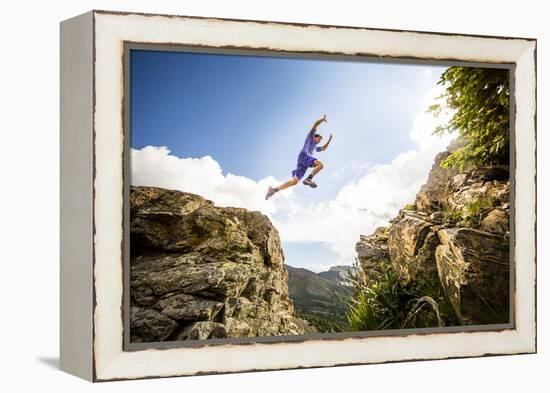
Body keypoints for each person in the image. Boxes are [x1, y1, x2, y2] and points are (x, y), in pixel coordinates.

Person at [265, 114, 333, 200]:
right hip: (304, 156)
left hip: (302, 162)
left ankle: (273, 190)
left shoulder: (315, 147)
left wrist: (329, 140)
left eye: (320, 140)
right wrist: (322, 120)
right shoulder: (310, 138)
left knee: (294, 182)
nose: (319, 141)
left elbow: (323, 148)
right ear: (314, 137)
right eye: (318, 139)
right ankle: (309, 179)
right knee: (321, 165)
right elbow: (315, 124)